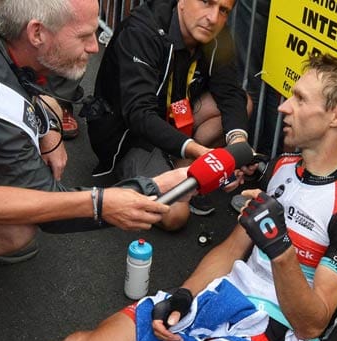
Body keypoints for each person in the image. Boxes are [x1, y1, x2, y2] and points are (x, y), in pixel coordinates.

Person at [36, 53, 337, 341]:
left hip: (277, 331)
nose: (283, 106)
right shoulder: (282, 167)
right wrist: (185, 294)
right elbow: (232, 248)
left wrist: (281, 250)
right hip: (223, 297)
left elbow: (311, 324)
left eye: (300, 99)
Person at [0, 0, 186, 324]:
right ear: (36, 33)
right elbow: (4, 201)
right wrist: (115, 198)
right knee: (16, 232)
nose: (95, 47)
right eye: (84, 36)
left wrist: (48, 128)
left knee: (47, 108)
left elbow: (26, 91)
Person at [88, 0, 253, 230]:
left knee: (243, 103)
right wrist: (200, 151)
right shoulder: (142, 30)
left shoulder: (216, 32)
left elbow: (231, 93)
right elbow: (138, 114)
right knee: (175, 216)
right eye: (206, 2)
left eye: (223, 10)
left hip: (175, 121)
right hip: (132, 137)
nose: (214, 18)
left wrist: (238, 149)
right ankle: (178, 166)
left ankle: (181, 164)